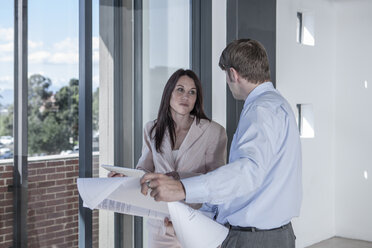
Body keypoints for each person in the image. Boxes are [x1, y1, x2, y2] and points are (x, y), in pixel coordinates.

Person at [140, 39, 302, 248]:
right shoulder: (279, 105)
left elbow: (246, 173)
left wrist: (183, 188)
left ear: (233, 74)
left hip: (254, 239)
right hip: (273, 234)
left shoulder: (260, 110)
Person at [110, 69, 227, 248]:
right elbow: (145, 171)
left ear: (197, 98)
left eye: (192, 92)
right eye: (180, 89)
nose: (185, 96)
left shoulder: (214, 132)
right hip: (161, 225)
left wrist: (176, 178)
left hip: (197, 224)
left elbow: (217, 182)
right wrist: (124, 179)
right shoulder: (152, 129)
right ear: (169, 93)